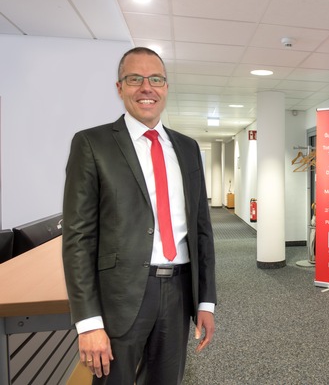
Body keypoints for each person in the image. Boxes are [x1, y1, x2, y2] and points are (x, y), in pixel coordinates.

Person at [62, 47, 216, 384]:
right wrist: (88, 322)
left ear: (166, 87)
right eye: (135, 79)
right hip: (120, 295)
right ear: (120, 88)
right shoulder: (92, 144)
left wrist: (206, 301)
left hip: (179, 292)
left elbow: (201, 229)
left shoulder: (187, 148)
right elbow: (78, 239)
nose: (147, 87)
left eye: (156, 79)